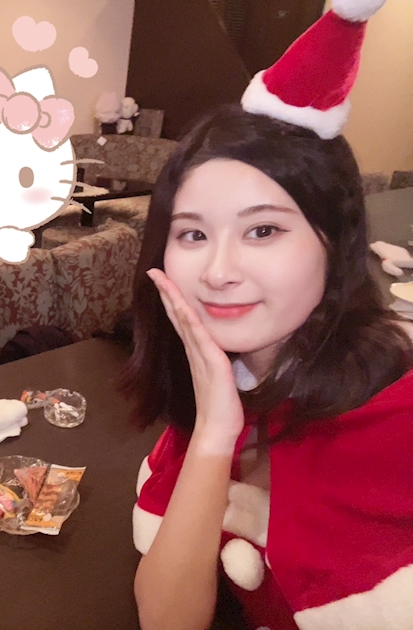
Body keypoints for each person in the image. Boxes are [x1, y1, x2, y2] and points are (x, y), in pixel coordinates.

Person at [123, 3, 413, 629]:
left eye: (262, 230)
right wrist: (215, 429)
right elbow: (167, 619)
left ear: (336, 241)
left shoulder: (396, 425)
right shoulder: (226, 377)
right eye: (193, 234)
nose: (218, 270)